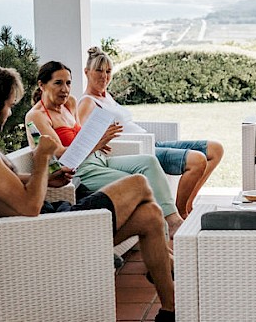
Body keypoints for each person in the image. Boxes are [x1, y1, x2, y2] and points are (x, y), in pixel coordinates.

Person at [0, 62, 177, 322]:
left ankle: (170, 308)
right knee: (139, 183)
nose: (8, 113)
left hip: (47, 225)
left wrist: (46, 178)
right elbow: (29, 207)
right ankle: (172, 264)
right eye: (7, 106)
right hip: (50, 235)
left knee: (150, 215)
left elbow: (0, 184)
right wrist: (42, 158)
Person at [24, 61, 185, 238]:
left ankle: (173, 220)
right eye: (58, 83)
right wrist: (97, 143)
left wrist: (98, 136)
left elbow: (79, 134)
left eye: (68, 83)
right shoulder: (36, 116)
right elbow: (61, 154)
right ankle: (159, 233)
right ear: (42, 85)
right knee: (135, 183)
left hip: (98, 158)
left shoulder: (70, 103)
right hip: (80, 171)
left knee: (149, 161)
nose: (65, 89)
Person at [78, 46, 224, 217]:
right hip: (141, 151)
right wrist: (99, 141)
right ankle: (179, 212)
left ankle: (188, 206)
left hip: (152, 142)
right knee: (197, 160)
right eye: (99, 70)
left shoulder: (106, 96)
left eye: (108, 71)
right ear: (87, 72)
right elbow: (79, 133)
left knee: (215, 149)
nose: (104, 76)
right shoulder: (87, 101)